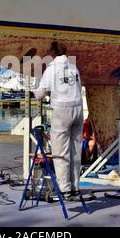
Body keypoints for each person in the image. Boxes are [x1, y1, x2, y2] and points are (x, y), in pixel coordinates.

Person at [34, 42, 83, 200]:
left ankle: (65, 189)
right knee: (75, 152)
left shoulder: (51, 69)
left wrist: (33, 90)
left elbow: (41, 94)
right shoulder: (74, 68)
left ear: (53, 53)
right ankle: (75, 187)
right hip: (78, 109)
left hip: (62, 111)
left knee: (60, 152)